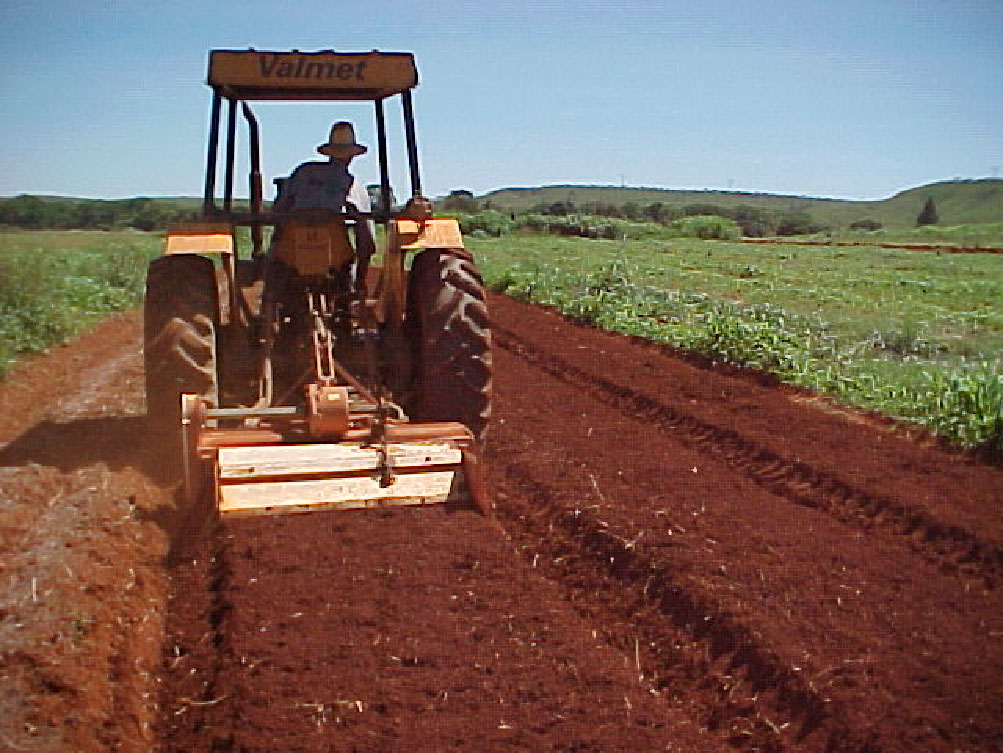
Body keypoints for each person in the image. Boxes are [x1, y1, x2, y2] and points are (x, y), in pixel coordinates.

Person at [273, 121, 376, 293]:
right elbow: (366, 235)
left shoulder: (302, 172)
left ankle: (269, 299)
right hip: (336, 255)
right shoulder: (353, 185)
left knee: (275, 255)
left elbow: (278, 210)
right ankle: (352, 292)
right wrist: (363, 265)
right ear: (352, 155)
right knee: (353, 254)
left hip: (291, 253)